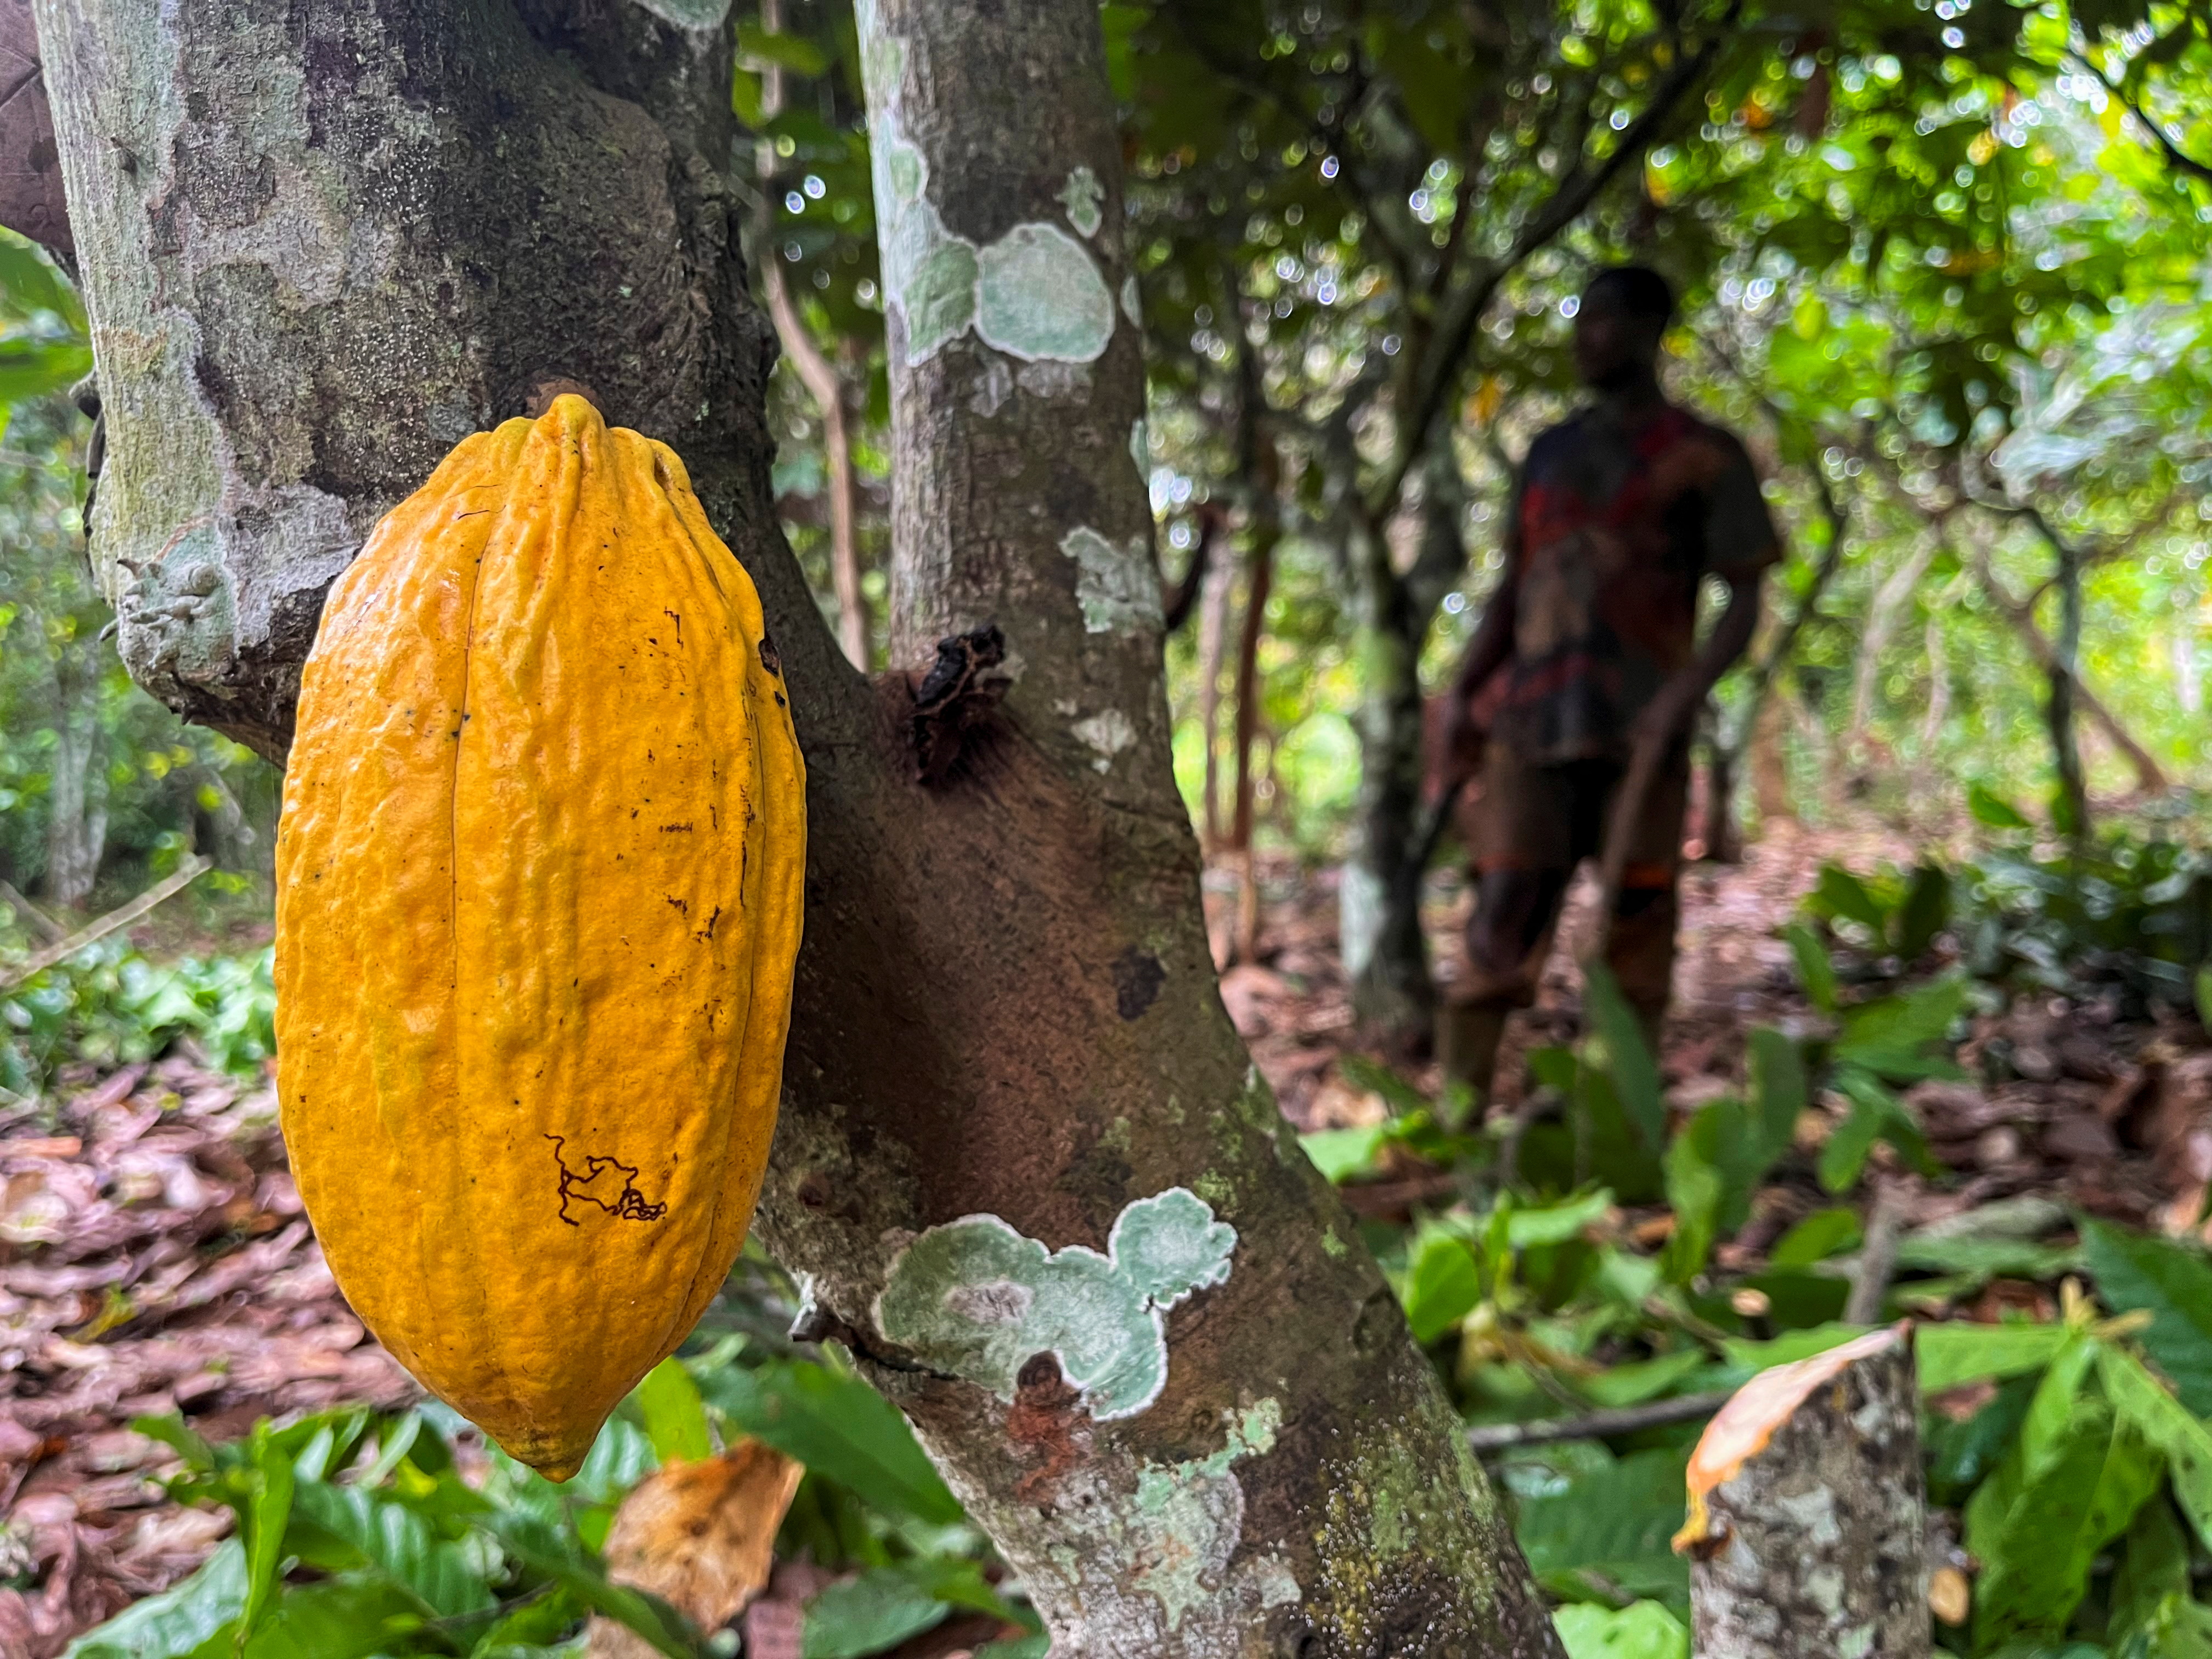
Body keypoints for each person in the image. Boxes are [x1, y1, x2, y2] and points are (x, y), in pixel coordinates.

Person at [1437, 264, 1781, 1098]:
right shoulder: (1550, 454)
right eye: (1579, 319)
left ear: (1647, 331)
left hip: (1641, 730)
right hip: (1532, 724)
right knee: (1501, 919)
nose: (1584, 337)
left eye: (1602, 320)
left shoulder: (1704, 456)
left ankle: (1609, 1122)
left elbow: (1744, 597)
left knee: (1635, 922)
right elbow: (1515, 589)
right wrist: (1461, 697)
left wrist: (1679, 700)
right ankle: (1455, 1114)